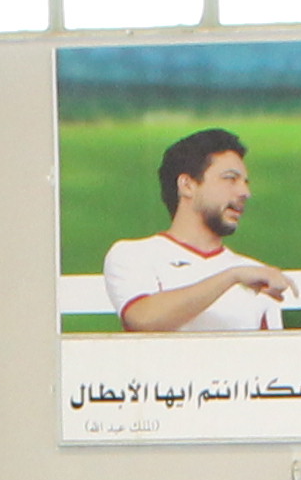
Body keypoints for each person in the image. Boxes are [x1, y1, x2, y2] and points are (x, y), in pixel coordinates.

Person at [104, 126, 290, 332]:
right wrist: (231, 277)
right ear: (187, 185)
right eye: (230, 179)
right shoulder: (134, 254)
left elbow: (270, 350)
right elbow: (143, 319)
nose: (245, 192)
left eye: (245, 182)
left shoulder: (257, 274)